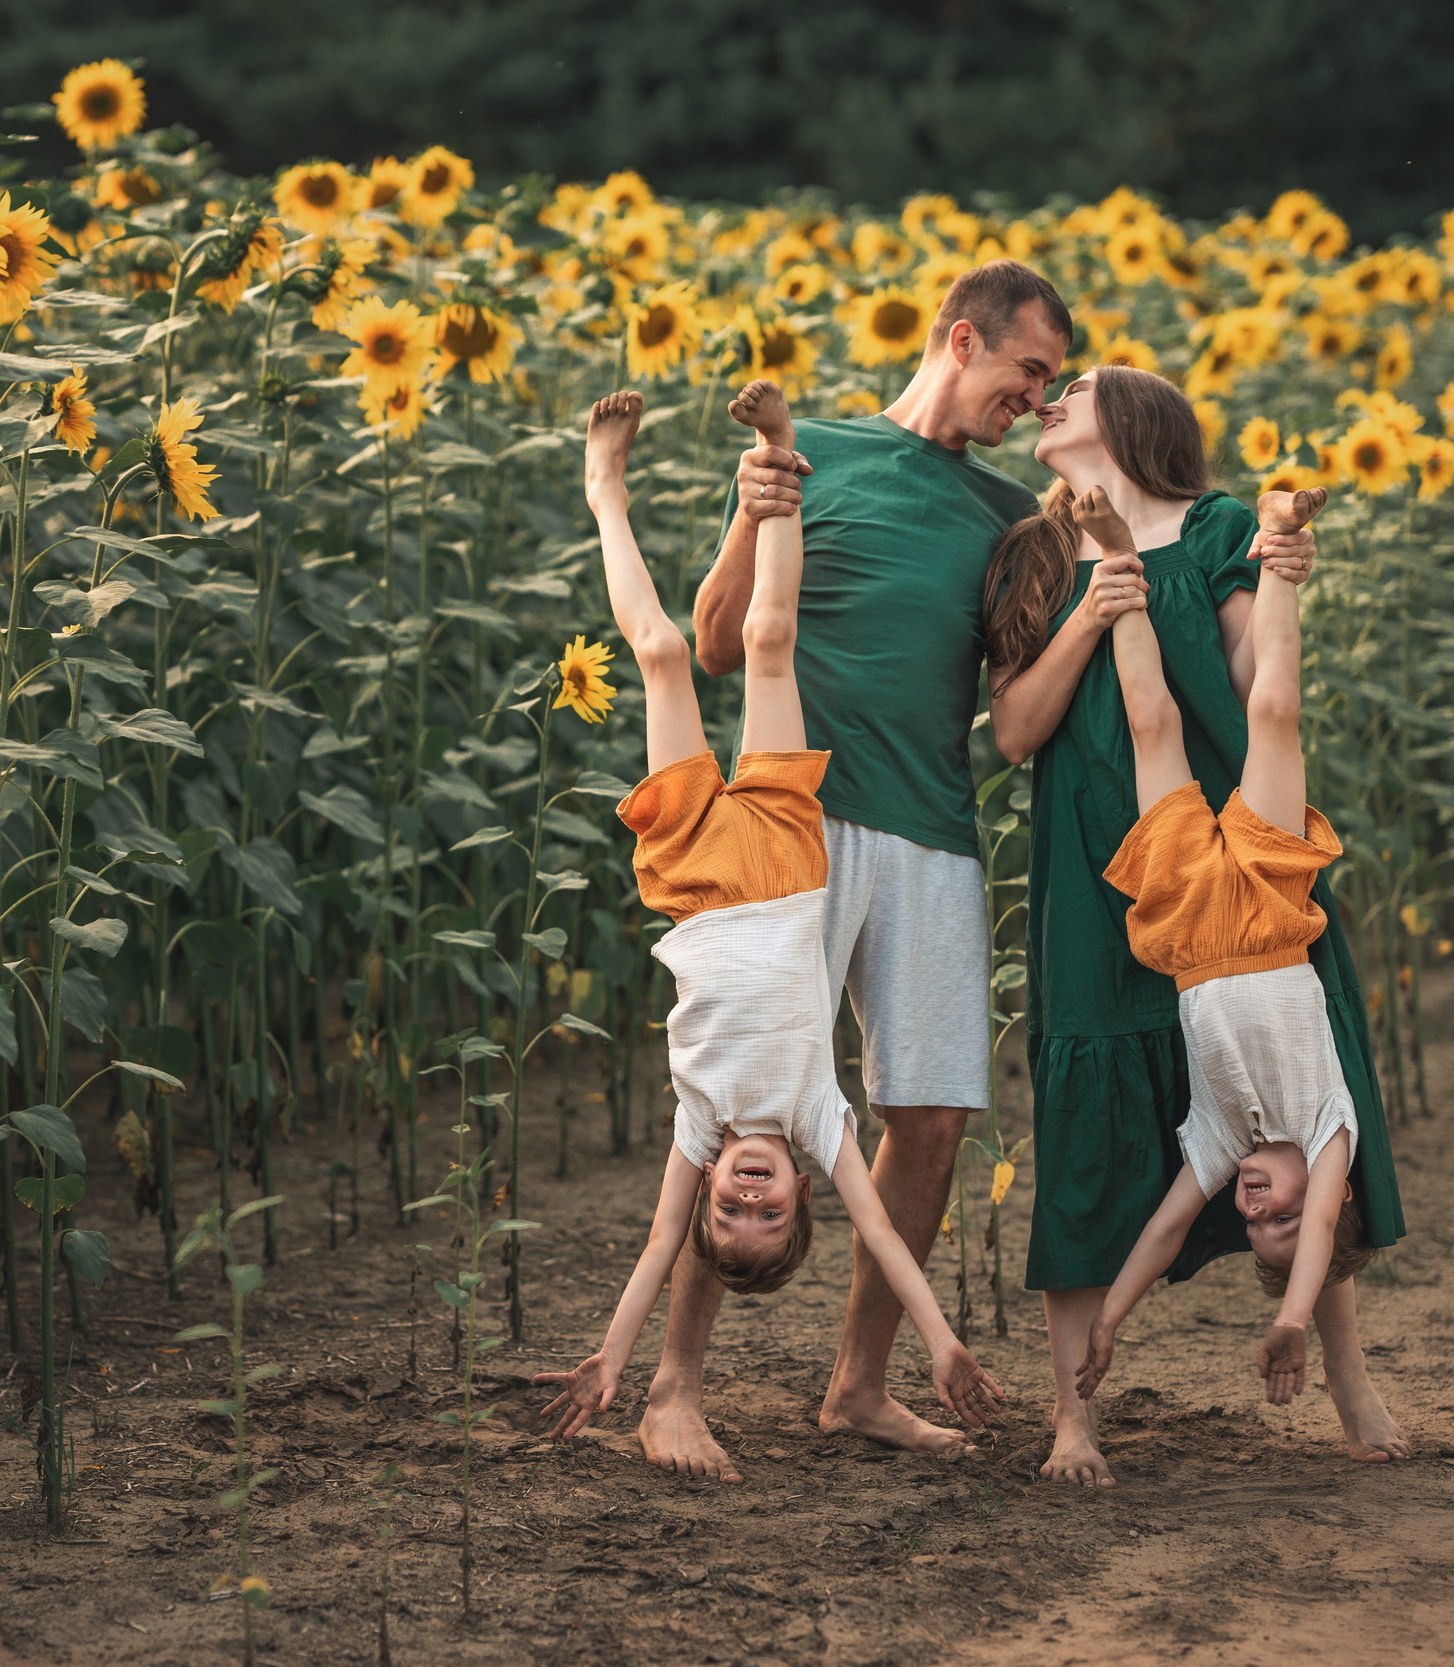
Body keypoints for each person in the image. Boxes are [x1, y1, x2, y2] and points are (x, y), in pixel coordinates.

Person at [640, 259, 1070, 1482]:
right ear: (958, 338)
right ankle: (673, 1389)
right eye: (1025, 372)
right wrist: (750, 506)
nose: (1034, 400)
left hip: (934, 828)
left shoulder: (1004, 516)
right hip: (795, 825)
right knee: (744, 1103)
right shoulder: (809, 453)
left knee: (931, 1118)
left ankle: (858, 1387)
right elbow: (718, 646)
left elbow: (1020, 700)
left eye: (1048, 385)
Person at [533, 384, 1008, 1452]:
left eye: (730, 1215)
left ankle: (603, 490)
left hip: (696, 870)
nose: (747, 1201)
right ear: (800, 1190)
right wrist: (941, 1342)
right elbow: (881, 1234)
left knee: (655, 652)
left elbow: (657, 1251)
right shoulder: (815, 1120)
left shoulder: (700, 1132)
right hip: (795, 853)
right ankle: (781, 453)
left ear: (709, 1190)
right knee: (771, 641)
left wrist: (608, 1356)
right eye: (771, 1214)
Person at [986, 364, 1405, 1486]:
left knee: (1301, 1101)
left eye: (1070, 386)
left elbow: (1252, 675)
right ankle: (1073, 1415)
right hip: (1093, 860)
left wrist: (1280, 569)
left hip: (1234, 847)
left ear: (1135, 422)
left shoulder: (1216, 525)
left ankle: (1347, 1377)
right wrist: (1093, 605)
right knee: (1085, 1113)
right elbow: (1015, 730)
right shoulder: (1031, 552)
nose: (1046, 400)